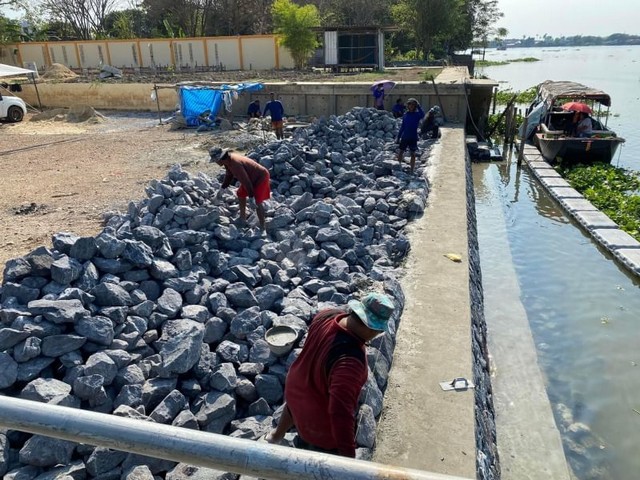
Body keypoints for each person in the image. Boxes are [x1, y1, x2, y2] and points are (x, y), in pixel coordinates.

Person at [264, 292, 395, 457]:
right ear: (371, 328)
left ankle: (275, 436)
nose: (378, 335)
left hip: (296, 387)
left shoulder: (326, 315)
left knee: (298, 402)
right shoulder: (350, 363)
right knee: (315, 461)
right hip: (317, 422)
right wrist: (347, 459)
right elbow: (340, 413)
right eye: (379, 331)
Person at [209, 147, 270, 230]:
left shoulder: (235, 164)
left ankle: (263, 228)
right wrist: (222, 188)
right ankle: (242, 218)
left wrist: (251, 198)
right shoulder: (228, 160)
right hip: (251, 177)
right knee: (240, 193)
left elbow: (246, 182)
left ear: (219, 159)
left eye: (215, 161)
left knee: (257, 202)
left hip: (260, 177)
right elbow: (229, 175)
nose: (215, 162)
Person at [396, 98, 425, 173]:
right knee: (401, 151)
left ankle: (412, 170)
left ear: (415, 106)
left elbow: (423, 114)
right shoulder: (405, 115)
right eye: (409, 104)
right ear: (407, 106)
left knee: (413, 153)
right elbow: (402, 127)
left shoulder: (417, 115)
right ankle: (398, 167)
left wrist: (419, 106)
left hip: (413, 137)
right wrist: (398, 137)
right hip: (405, 136)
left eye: (413, 105)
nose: (411, 106)